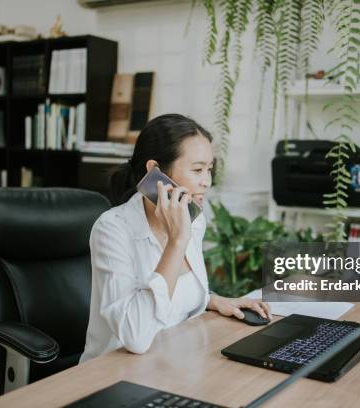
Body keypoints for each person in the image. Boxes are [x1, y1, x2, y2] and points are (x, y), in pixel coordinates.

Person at [79, 114, 271, 361]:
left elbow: (172, 299)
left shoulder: (194, 219)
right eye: (197, 170)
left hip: (175, 358)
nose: (206, 182)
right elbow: (136, 338)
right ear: (155, 171)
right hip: (116, 371)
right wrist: (177, 241)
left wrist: (212, 300)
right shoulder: (112, 229)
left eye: (209, 169)